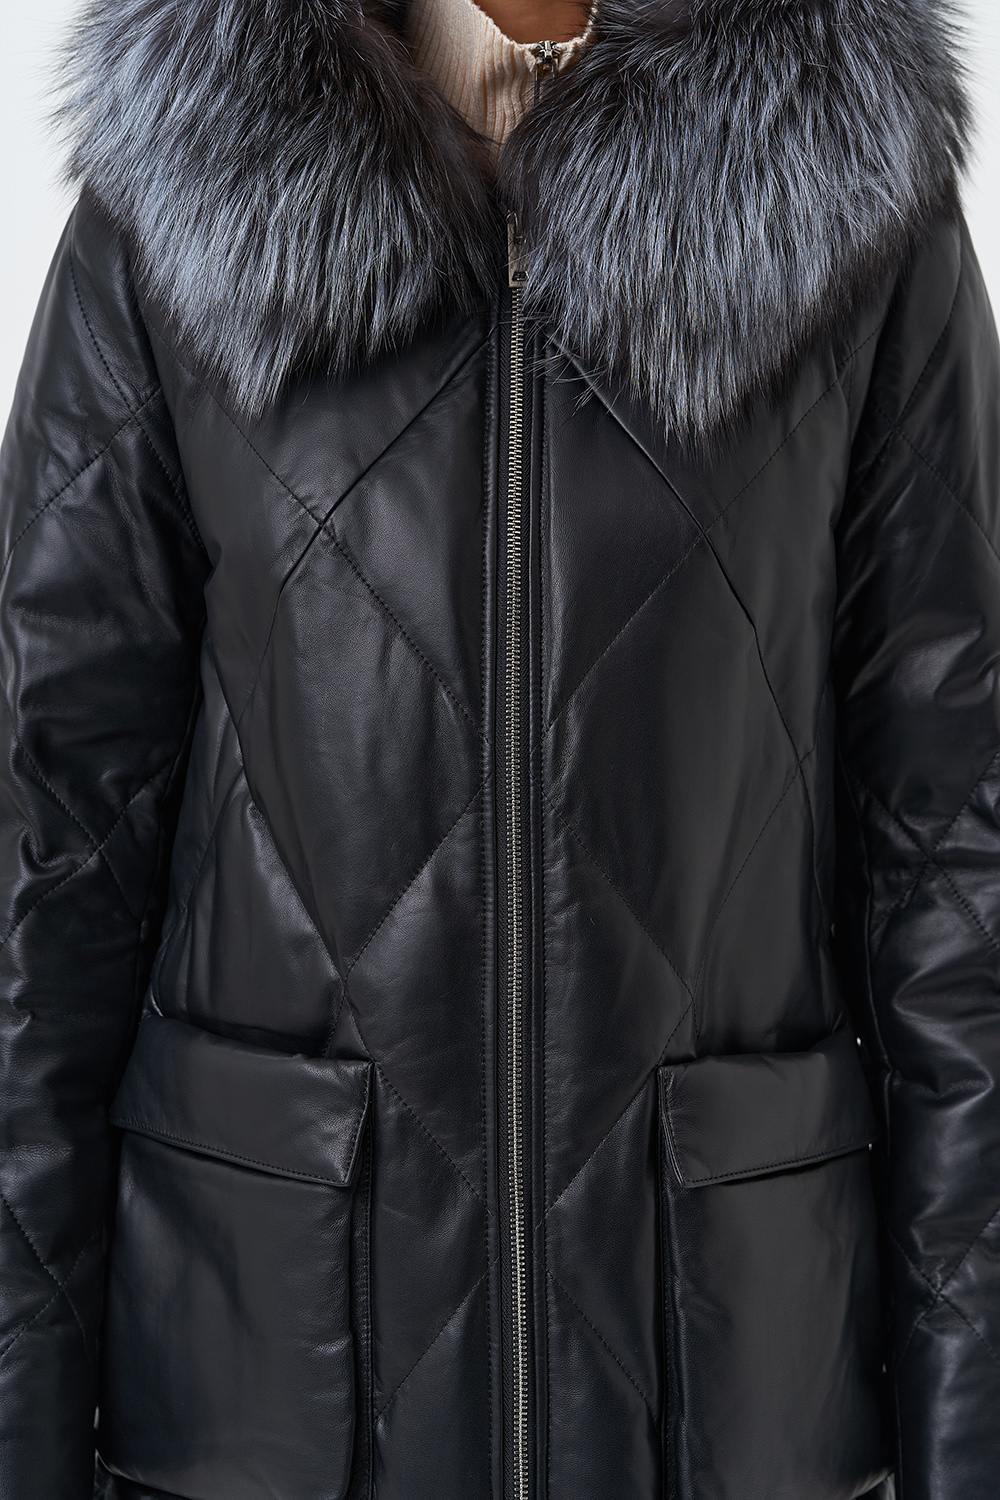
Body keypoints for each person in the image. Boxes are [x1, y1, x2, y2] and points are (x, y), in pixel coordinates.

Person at [0, 0, 997, 1495]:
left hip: (723, 1388)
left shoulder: (852, 201)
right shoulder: (180, 185)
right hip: (272, 1387)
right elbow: (46, 846)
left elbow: (957, 861)